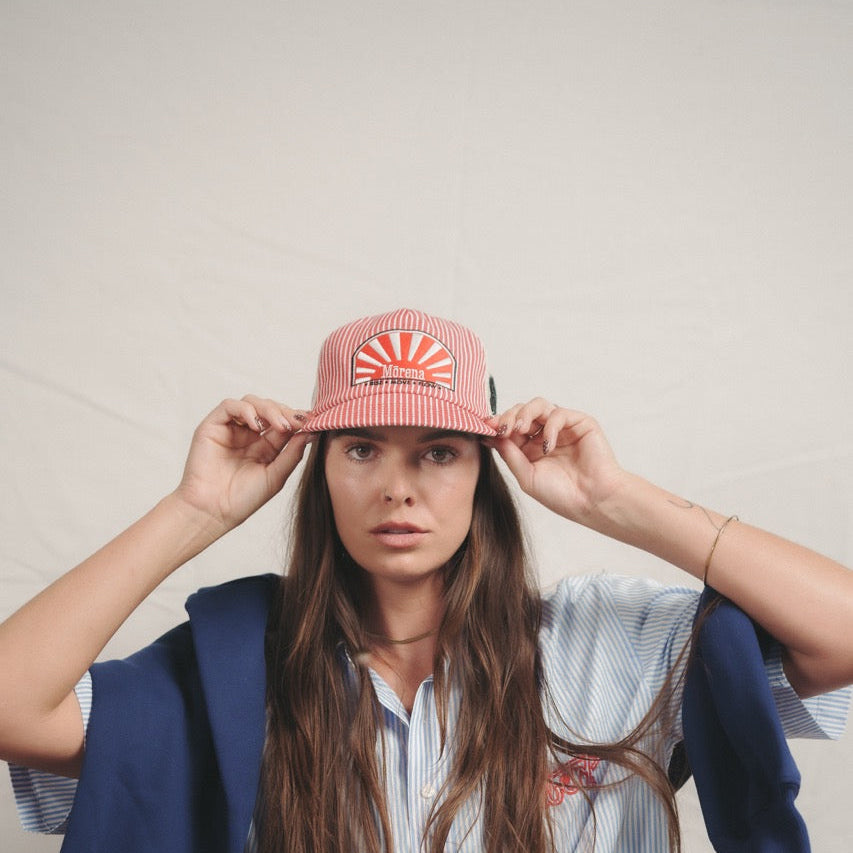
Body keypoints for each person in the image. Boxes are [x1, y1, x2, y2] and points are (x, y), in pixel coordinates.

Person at [1, 307, 850, 853]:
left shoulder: (611, 642)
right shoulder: (236, 670)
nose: (396, 487)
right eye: (361, 448)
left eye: (438, 452)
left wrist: (617, 500)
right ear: (318, 469)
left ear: (485, 472)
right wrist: (194, 510)